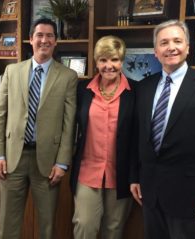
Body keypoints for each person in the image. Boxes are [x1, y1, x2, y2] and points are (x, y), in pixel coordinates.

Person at [130, 19, 195, 239]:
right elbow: (138, 138)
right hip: (150, 194)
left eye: (177, 41)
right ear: (156, 52)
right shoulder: (144, 87)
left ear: (188, 47)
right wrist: (134, 177)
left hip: (190, 197)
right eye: (164, 42)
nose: (171, 47)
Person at [0, 18, 77, 239]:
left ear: (56, 41)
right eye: (39, 35)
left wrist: (62, 162)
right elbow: (0, 115)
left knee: (47, 225)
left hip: (48, 163)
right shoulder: (12, 71)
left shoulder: (68, 76)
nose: (44, 40)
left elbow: (70, 123)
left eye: (50, 36)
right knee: (7, 223)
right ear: (30, 39)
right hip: (12, 159)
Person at [70, 35, 136, 239]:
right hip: (88, 170)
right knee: (85, 225)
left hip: (121, 174)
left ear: (122, 61)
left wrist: (137, 176)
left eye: (114, 59)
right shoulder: (83, 90)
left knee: (113, 229)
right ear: (96, 62)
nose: (109, 66)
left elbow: (138, 138)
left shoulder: (136, 92)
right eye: (103, 60)